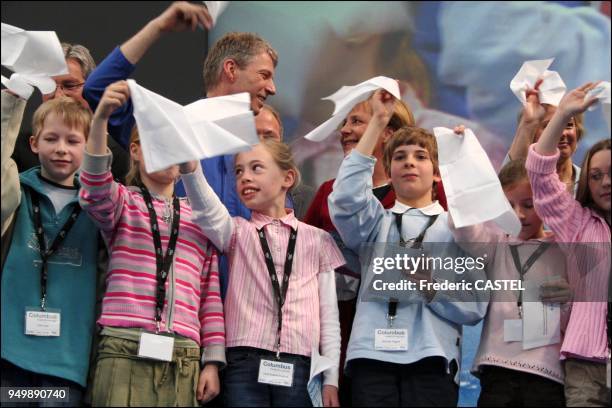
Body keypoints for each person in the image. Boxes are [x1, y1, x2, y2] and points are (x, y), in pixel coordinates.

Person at [329, 90, 487, 406]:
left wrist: (431, 289)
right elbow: (345, 198)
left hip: (432, 360)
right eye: (399, 157)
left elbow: (475, 304)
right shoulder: (375, 223)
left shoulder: (456, 229)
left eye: (420, 156)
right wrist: (377, 123)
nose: (409, 163)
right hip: (371, 357)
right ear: (388, 170)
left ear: (438, 173)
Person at [79, 81, 225, 406]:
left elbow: (210, 294)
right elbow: (93, 188)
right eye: (159, 142)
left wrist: (212, 361)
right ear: (135, 150)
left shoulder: (199, 215)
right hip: (124, 344)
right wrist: (100, 119)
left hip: (184, 353)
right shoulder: (122, 201)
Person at [180, 139, 344, 407]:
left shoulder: (318, 240)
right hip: (242, 363)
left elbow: (329, 317)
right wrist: (190, 169)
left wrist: (331, 380)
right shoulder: (236, 231)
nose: (245, 177)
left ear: (287, 178)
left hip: (301, 364)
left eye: (256, 168)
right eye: (239, 171)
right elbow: (205, 208)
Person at [450, 152, 570, 406]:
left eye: (528, 205)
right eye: (509, 206)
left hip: (546, 374)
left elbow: (578, 313)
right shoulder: (495, 245)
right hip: (497, 370)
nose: (519, 215)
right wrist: (459, 161)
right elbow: (463, 227)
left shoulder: (564, 249)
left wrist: (568, 300)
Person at [1, 93, 98, 405]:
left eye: (72, 141)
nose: (61, 148)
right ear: (33, 144)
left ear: (88, 148)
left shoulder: (100, 206)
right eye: (51, 138)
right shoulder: (15, 192)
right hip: (10, 355)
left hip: (66, 363)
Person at [526, 82, 610, 407]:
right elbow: (540, 174)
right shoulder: (578, 222)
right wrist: (561, 115)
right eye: (596, 175)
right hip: (586, 364)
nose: (606, 182)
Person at [11, 42, 130, 183]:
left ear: (90, 87)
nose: (59, 95)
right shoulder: (20, 145)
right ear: (34, 144)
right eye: (50, 86)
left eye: (70, 85)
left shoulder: (117, 152)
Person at [507, 79, 585, 194]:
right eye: (550, 127)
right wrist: (528, 123)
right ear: (531, 136)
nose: (562, 133)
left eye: (568, 125)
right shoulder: (522, 188)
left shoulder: (589, 184)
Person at [258, 103, 315, 220]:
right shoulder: (222, 192)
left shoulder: (310, 200)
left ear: (280, 142)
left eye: (269, 137)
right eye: (252, 135)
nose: (261, 143)